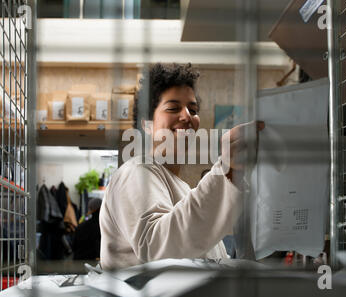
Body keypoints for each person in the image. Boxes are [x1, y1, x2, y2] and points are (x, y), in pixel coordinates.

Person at [100, 63, 262, 270]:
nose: (187, 116)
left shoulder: (183, 188)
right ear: (147, 124)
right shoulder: (135, 172)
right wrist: (227, 170)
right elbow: (160, 250)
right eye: (173, 108)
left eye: (192, 109)